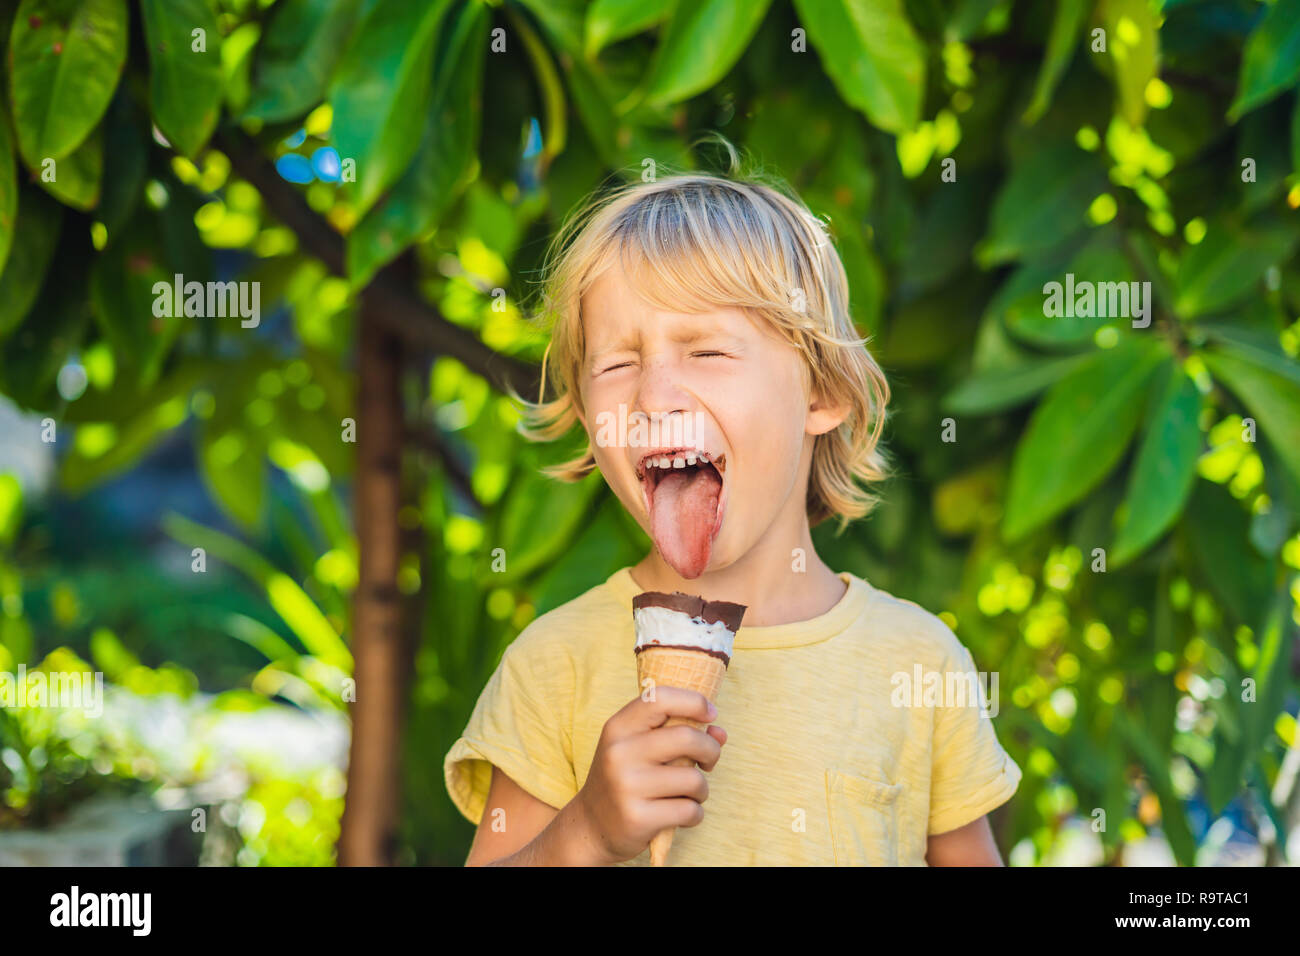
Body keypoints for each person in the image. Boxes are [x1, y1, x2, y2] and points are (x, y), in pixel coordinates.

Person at [444, 152, 1021, 865]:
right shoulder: (553, 667)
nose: (655, 397)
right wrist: (586, 831)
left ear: (821, 394)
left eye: (708, 352)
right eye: (618, 363)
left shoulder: (919, 663)